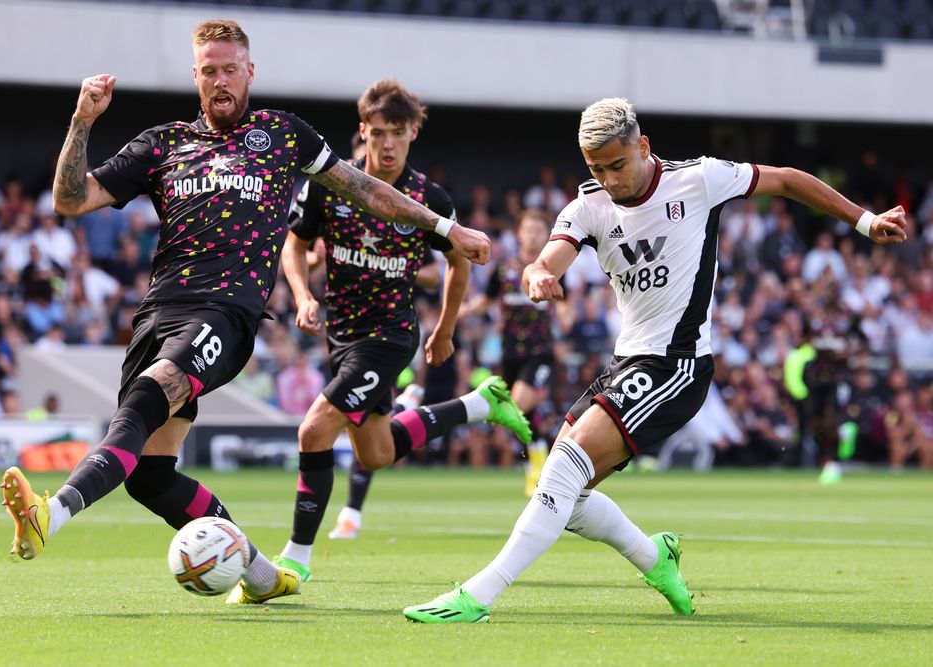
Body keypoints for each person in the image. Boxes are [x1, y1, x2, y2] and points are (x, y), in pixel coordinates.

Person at [0, 19, 491, 608]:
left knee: (146, 399)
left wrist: (444, 227)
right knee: (150, 475)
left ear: (249, 72)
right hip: (158, 313)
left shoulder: (284, 135)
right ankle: (261, 576)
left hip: (226, 313)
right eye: (209, 71)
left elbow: (365, 190)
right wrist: (82, 122)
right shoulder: (161, 144)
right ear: (197, 77)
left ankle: (50, 514)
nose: (221, 80)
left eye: (231, 68)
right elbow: (70, 199)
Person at [403, 97, 907, 623]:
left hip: (679, 364)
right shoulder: (588, 207)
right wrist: (536, 275)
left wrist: (864, 220)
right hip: (627, 364)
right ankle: (654, 556)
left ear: (643, 146)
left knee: (560, 472)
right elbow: (548, 257)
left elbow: (784, 179)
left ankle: (478, 596)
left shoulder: (700, 180)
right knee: (567, 496)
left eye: (617, 165)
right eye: (596, 168)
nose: (610, 179)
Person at [274, 79, 531, 571]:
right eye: (378, 133)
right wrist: (304, 294)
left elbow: (458, 263)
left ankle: (296, 558)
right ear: (362, 132)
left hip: (390, 336)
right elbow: (295, 245)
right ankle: (478, 405)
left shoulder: (426, 199)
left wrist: (446, 328)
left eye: (397, 132)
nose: (387, 144)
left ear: (413, 132)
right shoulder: (329, 185)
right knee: (376, 454)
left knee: (313, 431)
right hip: (341, 336)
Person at [462, 209, 569, 495]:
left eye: (538, 230)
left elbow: (565, 303)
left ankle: (539, 467)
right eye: (528, 229)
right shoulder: (504, 268)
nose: (533, 235)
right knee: (522, 415)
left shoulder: (552, 269)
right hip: (510, 353)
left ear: (546, 236)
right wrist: (461, 312)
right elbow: (486, 300)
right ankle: (540, 462)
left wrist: (567, 316)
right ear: (519, 233)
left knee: (520, 405)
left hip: (541, 352)